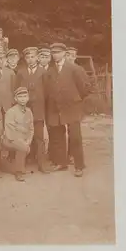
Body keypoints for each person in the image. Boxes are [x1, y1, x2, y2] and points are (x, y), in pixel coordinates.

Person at [43, 43, 91, 177]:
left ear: (64, 53)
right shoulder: (50, 70)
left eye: (58, 52)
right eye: (53, 53)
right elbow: (48, 89)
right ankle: (61, 162)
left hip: (72, 108)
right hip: (55, 108)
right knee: (58, 136)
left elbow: (85, 88)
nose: (55, 55)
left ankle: (79, 165)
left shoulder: (74, 68)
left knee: (75, 137)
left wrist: (75, 99)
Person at [15, 46, 50, 173]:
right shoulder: (20, 72)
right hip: (24, 109)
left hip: (38, 109)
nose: (30, 59)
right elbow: (16, 89)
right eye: (28, 57)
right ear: (25, 59)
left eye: (33, 57)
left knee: (39, 137)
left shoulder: (43, 72)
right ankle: (24, 162)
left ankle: (41, 163)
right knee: (23, 135)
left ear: (37, 58)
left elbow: (47, 92)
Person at [1, 87, 34, 182]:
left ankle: (14, 166)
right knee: (23, 148)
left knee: (25, 147)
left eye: (25, 96)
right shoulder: (11, 112)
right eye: (20, 97)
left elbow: (31, 129)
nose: (23, 99)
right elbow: (10, 131)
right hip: (9, 139)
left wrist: (28, 141)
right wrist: (22, 142)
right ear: (15, 99)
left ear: (28, 98)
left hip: (22, 140)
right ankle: (18, 171)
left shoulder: (29, 111)